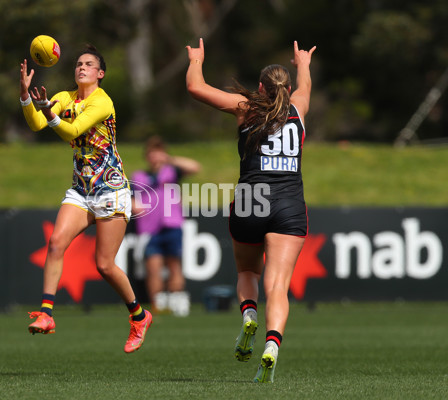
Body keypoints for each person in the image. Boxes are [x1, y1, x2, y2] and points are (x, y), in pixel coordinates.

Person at [186, 38, 316, 383]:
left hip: (250, 200)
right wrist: (302, 63)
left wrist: (197, 60)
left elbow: (195, 88)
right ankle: (272, 345)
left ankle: (248, 315)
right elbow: (305, 85)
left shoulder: (246, 107)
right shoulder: (298, 108)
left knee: (248, 272)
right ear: (286, 89)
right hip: (288, 204)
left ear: (260, 87)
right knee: (278, 285)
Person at [20, 44, 152, 353]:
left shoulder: (102, 102)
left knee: (104, 265)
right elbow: (36, 124)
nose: (81, 67)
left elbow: (72, 130)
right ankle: (47, 314)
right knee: (55, 243)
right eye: (78, 63)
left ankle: (139, 316)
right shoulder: (65, 98)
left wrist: (50, 114)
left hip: (111, 189)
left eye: (88, 64)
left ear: (100, 73)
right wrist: (26, 96)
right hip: (81, 189)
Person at [131, 136, 200, 316]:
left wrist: (169, 159)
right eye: (152, 153)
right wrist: (133, 205)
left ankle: (177, 303)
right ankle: (157, 305)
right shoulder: (139, 176)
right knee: (153, 269)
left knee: (174, 266)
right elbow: (128, 198)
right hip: (148, 229)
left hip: (172, 225)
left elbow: (194, 167)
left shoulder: (171, 172)